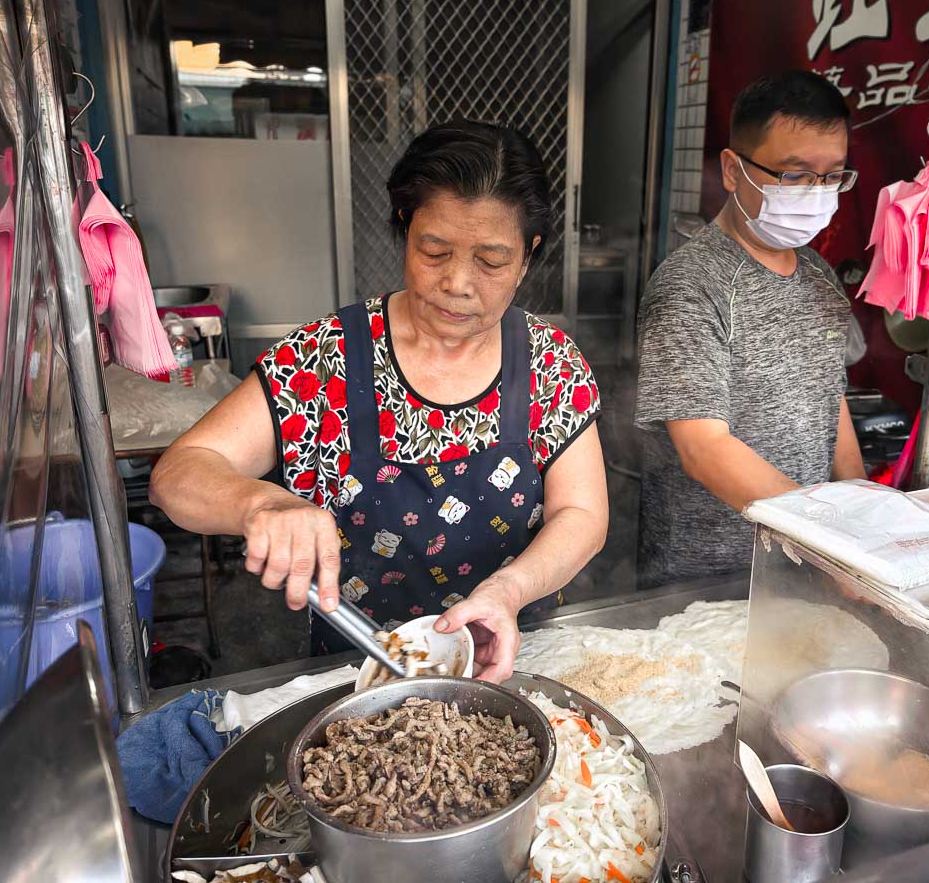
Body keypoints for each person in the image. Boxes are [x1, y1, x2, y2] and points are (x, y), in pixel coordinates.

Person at [150, 121, 608, 681]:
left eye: (491, 261)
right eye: (434, 250)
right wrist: (259, 504)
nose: (459, 283)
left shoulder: (548, 362)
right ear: (403, 227)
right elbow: (179, 474)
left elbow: (582, 515)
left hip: (512, 662)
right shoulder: (326, 358)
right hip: (355, 675)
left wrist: (510, 591)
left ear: (528, 254)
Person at [635, 72, 865, 588]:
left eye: (833, 176)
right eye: (795, 174)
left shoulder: (819, 277)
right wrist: (825, 534)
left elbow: (832, 399)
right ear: (733, 171)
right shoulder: (690, 284)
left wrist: (861, 518)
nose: (817, 193)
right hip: (708, 577)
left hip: (807, 563)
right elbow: (704, 448)